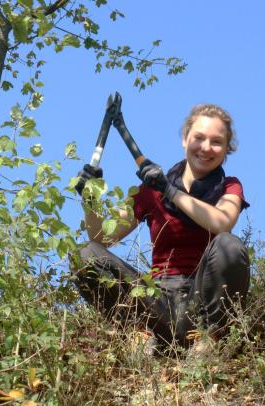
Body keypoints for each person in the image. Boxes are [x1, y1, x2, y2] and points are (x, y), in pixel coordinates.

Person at [71, 104, 250, 351]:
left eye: (216, 142)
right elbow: (101, 236)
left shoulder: (230, 187)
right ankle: (139, 335)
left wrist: (169, 190)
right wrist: (89, 200)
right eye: (199, 138)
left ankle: (209, 341)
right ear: (185, 139)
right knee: (85, 255)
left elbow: (222, 222)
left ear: (226, 149)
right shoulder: (150, 191)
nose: (206, 147)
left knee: (229, 245)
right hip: (157, 303)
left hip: (199, 305)